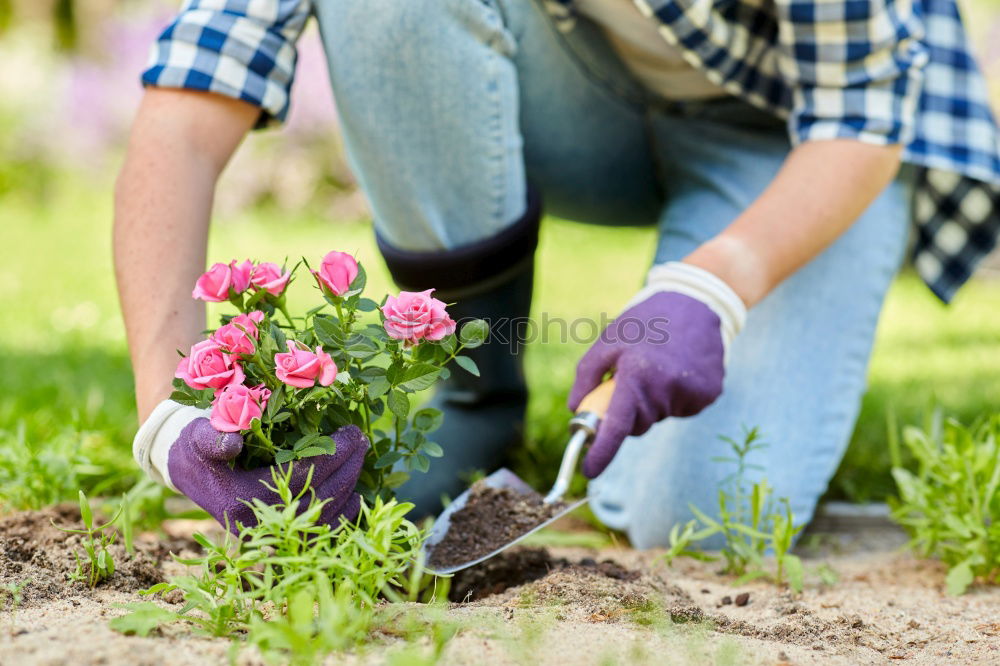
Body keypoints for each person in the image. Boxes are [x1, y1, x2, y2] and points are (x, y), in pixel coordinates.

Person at [117, 0, 1000, 545]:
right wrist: (170, 415)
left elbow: (861, 109)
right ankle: (475, 404)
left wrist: (714, 285)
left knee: (701, 513)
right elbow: (193, 100)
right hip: (582, 97)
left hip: (793, 131)